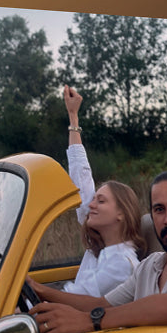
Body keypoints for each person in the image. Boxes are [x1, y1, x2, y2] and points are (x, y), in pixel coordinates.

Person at [30, 170, 167, 333]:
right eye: (159, 210)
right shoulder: (150, 265)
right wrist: (39, 290)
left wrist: (89, 321)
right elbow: (100, 304)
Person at [59, 85, 144, 298]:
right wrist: (73, 118)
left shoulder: (122, 264)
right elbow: (81, 181)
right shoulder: (99, 250)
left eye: (101, 201)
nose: (91, 204)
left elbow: (75, 299)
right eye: (95, 200)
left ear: (121, 213)